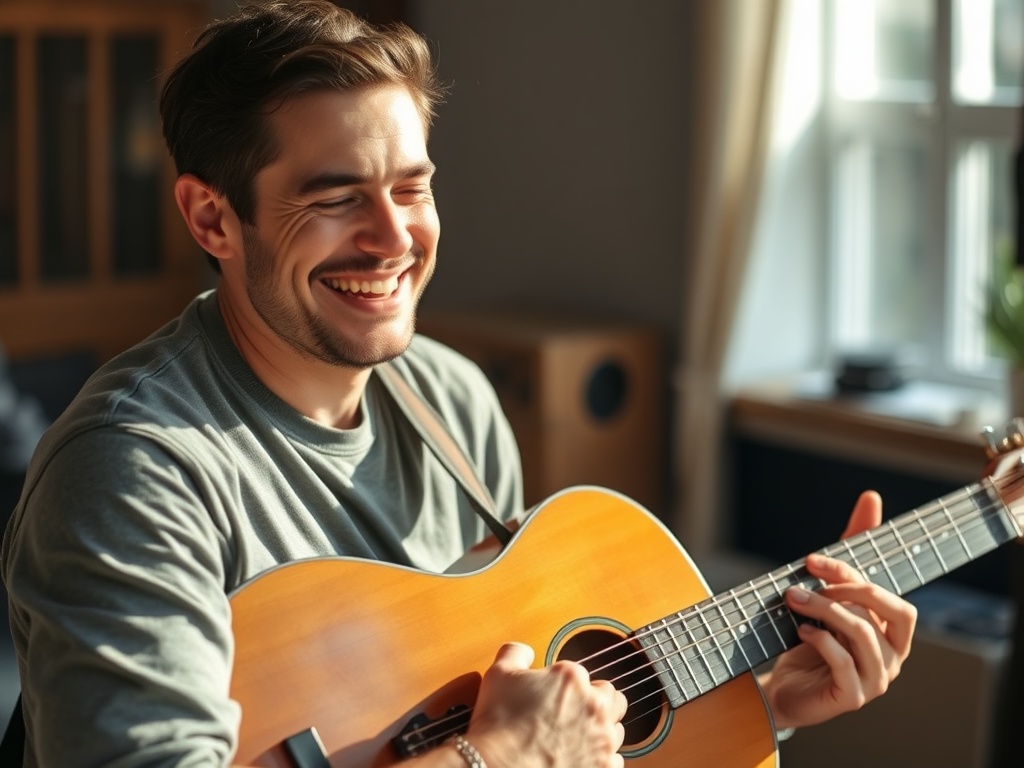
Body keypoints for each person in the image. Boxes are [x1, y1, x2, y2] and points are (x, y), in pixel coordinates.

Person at [0, 2, 917, 766]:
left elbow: (534, 720)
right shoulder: (131, 471)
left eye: (411, 187)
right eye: (334, 197)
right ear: (212, 217)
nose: (393, 238)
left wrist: (761, 696)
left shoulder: (455, 402)